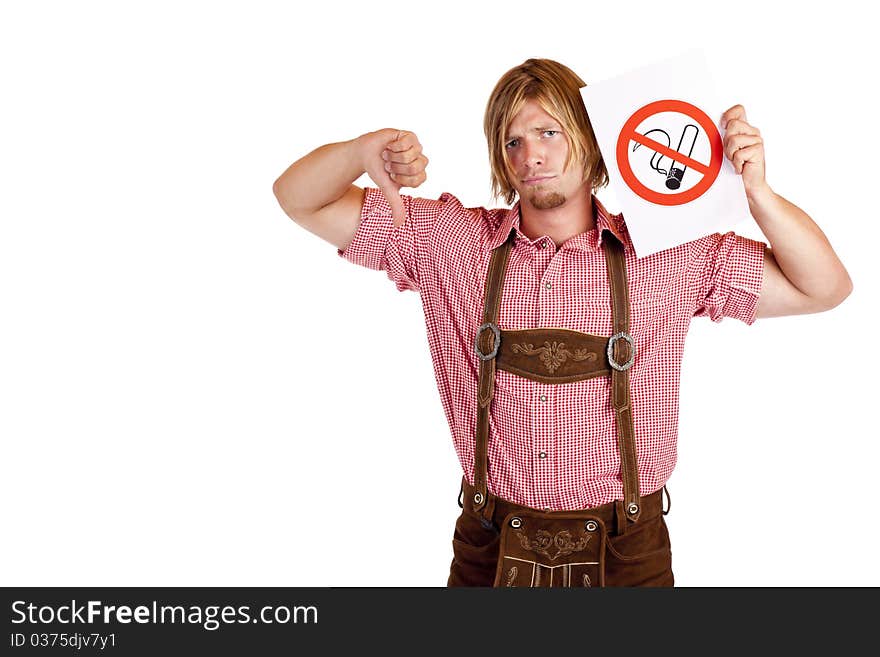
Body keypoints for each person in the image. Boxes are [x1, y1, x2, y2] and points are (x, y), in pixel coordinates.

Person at [272, 58, 852, 587]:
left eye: (548, 132)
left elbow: (825, 287)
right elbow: (300, 199)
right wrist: (360, 150)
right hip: (490, 547)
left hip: (628, 555)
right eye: (513, 141)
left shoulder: (667, 253)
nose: (532, 157)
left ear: (591, 141)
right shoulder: (449, 242)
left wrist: (756, 194)